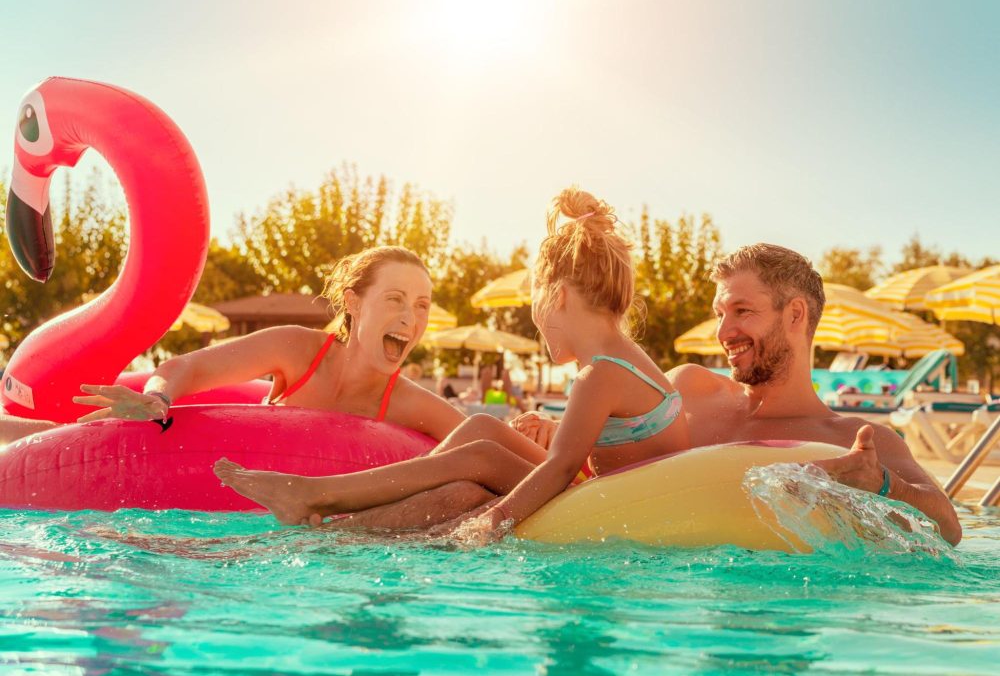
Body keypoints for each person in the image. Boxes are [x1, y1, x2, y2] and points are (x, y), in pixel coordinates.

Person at [213, 187, 691, 536]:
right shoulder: (625, 360)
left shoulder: (598, 375)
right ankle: (354, 505)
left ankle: (321, 498)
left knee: (476, 464)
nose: (535, 318)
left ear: (559, 296)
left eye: (535, 301)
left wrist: (494, 520)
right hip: (610, 488)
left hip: (605, 504)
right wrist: (554, 427)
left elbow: (561, 470)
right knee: (481, 426)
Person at [517, 243, 963, 545]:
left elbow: (949, 528)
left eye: (742, 311)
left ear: (795, 315)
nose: (724, 331)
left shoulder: (852, 440)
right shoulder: (688, 388)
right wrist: (556, 431)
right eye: (720, 313)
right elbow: (616, 448)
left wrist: (883, 484)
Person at [2, 247, 470, 461]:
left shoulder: (410, 403)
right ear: (353, 303)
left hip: (296, 533)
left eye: (421, 305)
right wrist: (158, 398)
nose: (410, 317)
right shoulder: (298, 349)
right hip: (219, 469)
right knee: (85, 440)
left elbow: (490, 448)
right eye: (395, 299)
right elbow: (187, 367)